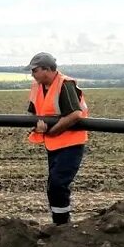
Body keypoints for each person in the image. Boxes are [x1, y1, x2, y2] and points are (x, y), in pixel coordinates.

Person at [26, 52, 88, 225]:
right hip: (53, 145)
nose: (32, 74)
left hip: (71, 143)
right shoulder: (37, 86)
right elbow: (32, 112)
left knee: (58, 184)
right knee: (54, 186)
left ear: (46, 69)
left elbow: (75, 114)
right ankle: (59, 224)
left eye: (34, 70)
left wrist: (52, 131)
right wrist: (37, 126)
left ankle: (62, 225)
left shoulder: (64, 84)